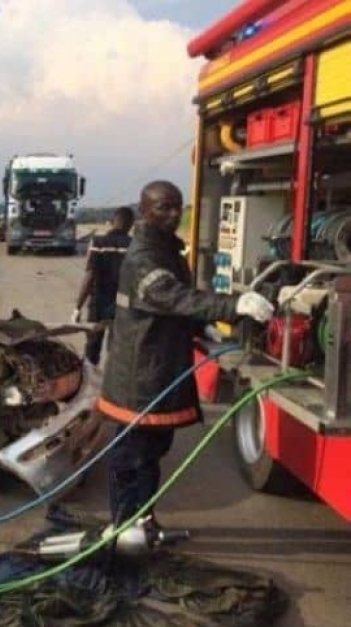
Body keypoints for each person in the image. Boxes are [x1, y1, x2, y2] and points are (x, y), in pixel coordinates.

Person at [97, 180, 274, 532]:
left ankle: (142, 521)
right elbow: (173, 296)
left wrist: (199, 327)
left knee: (151, 454)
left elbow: (178, 307)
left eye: (177, 206)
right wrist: (232, 305)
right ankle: (120, 526)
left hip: (157, 370)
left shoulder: (166, 251)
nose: (174, 213)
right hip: (139, 377)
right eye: (164, 207)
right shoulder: (144, 258)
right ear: (144, 210)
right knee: (131, 456)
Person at [72, 206, 135, 365]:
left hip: (98, 303)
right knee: (117, 350)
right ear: (131, 224)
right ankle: (111, 385)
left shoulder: (98, 242)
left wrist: (77, 308)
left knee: (92, 347)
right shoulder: (133, 246)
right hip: (123, 305)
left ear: (112, 222)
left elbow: (89, 276)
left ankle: (90, 379)